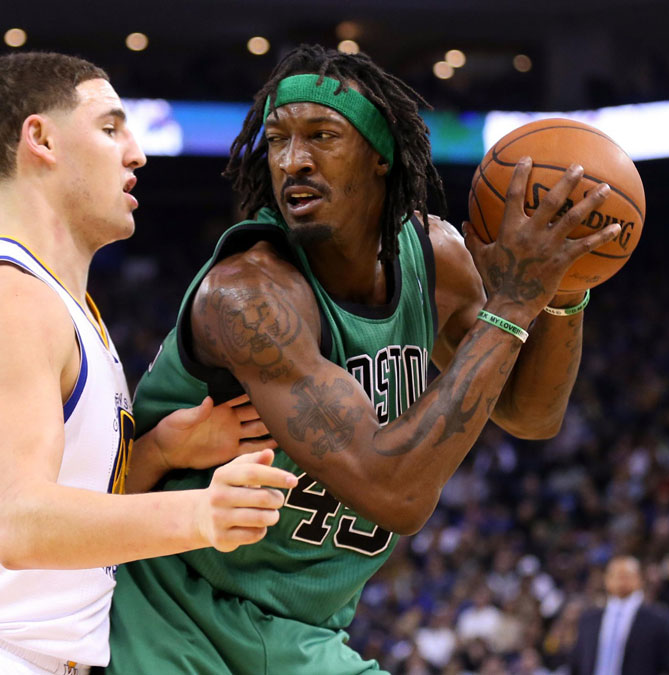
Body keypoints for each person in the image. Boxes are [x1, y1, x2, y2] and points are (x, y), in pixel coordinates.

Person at [108, 43, 622, 673]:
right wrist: (513, 305)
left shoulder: (436, 258)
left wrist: (563, 290)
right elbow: (395, 493)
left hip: (302, 632)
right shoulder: (247, 298)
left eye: (322, 136)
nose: (293, 160)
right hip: (172, 616)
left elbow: (530, 414)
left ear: (382, 156)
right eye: (277, 140)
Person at [0, 52, 297, 675]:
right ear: (41, 139)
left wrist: (161, 452)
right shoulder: (10, 299)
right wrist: (201, 514)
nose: (137, 154)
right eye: (110, 128)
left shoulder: (68, 307)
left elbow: (63, 513)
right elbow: (22, 527)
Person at [569, 556, 669, 675]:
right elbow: (576, 665)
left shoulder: (658, 619)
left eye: (625, 575)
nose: (620, 580)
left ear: (639, 579)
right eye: (614, 575)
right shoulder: (588, 620)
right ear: (606, 580)